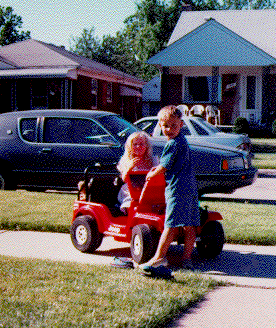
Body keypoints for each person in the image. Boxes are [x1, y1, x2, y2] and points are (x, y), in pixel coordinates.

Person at [142, 105, 200, 270]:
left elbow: (164, 166)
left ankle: (159, 258)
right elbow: (171, 162)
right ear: (160, 125)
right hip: (190, 187)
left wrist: (151, 174)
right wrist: (158, 168)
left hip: (177, 187)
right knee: (189, 225)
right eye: (165, 125)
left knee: (171, 225)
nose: (169, 129)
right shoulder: (182, 139)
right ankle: (187, 259)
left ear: (181, 124)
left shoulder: (173, 143)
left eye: (173, 126)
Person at [117, 131, 159, 214]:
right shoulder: (126, 160)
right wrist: (130, 167)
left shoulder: (154, 160)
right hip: (131, 190)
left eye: (141, 144)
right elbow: (124, 179)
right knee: (132, 204)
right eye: (135, 144)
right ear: (130, 146)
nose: (138, 147)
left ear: (146, 146)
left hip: (150, 190)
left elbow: (160, 177)